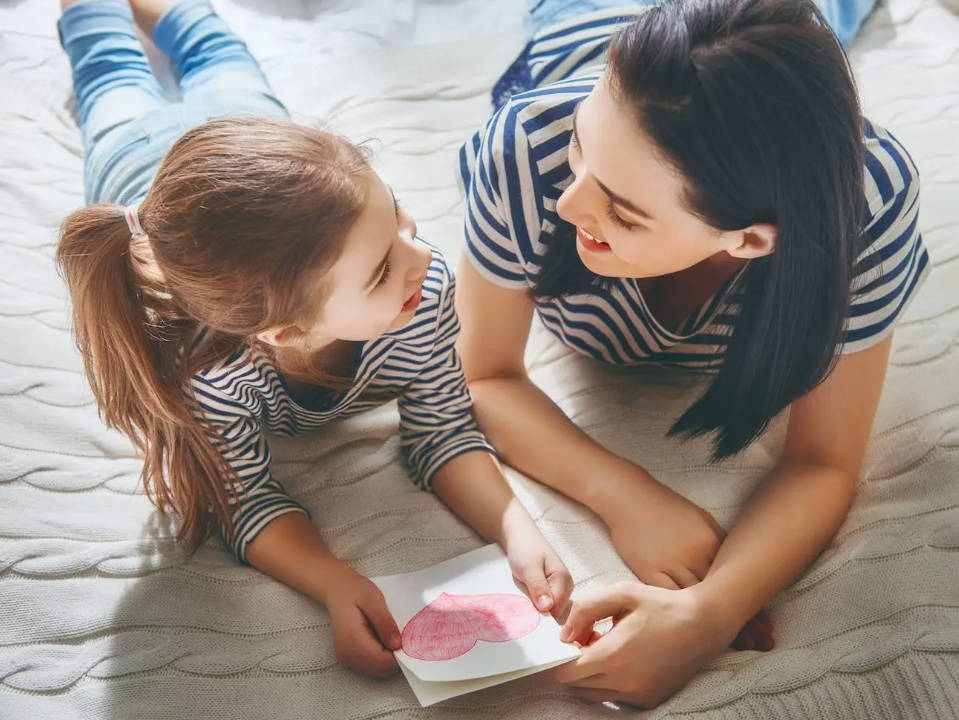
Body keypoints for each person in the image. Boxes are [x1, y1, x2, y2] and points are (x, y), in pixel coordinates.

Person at [55, 0, 573, 680]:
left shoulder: (421, 290)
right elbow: (243, 497)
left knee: (215, 53)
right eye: (384, 265)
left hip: (243, 149)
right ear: (283, 332)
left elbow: (442, 428)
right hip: (138, 165)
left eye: (398, 218)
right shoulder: (203, 375)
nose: (423, 258)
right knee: (108, 65)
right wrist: (331, 580)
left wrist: (517, 529)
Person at [456, 0, 928, 706]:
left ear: (748, 240)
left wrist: (709, 614)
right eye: (580, 149)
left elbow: (822, 460)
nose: (567, 205)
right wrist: (626, 496)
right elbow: (482, 375)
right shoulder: (525, 151)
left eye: (621, 212)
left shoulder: (866, 205)